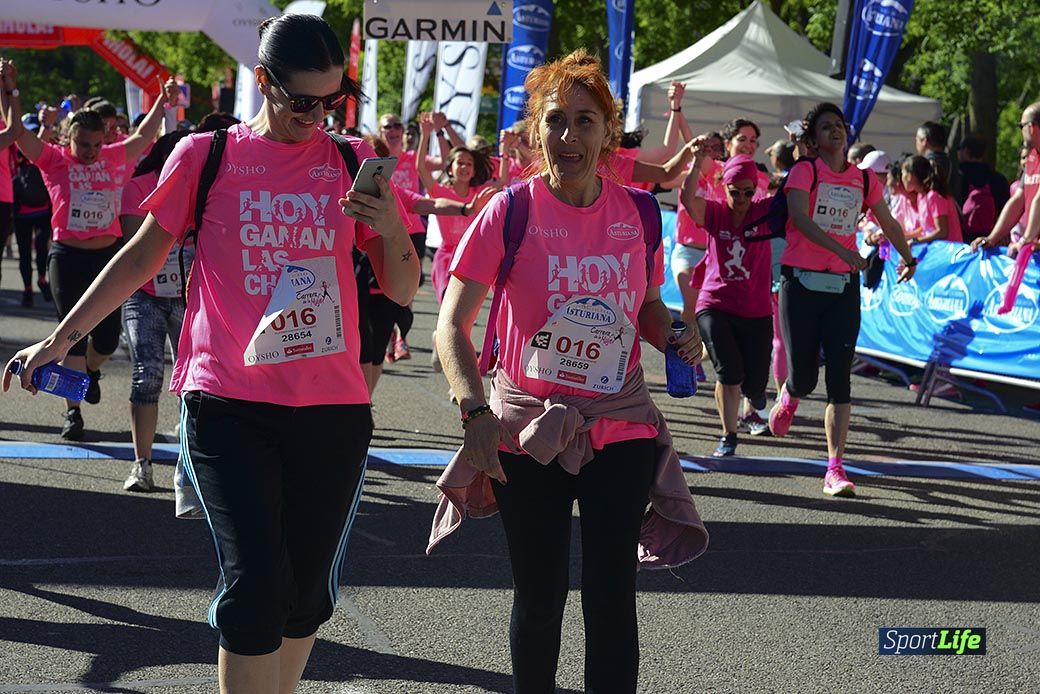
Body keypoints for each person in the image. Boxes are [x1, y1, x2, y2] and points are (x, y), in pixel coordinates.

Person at [4, 14, 419, 693]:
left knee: (306, 594)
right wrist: (61, 338)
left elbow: (402, 287)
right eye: (303, 102)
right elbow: (140, 256)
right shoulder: (209, 155)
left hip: (332, 406)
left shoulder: (348, 163)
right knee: (255, 589)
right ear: (263, 82)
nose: (319, 117)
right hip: (228, 402)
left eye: (334, 102)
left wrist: (392, 224)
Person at [426, 49, 708, 694]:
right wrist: (474, 413)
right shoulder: (510, 211)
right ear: (535, 132)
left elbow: (645, 307)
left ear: (609, 132)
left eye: (585, 121)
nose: (569, 136)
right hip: (530, 430)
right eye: (555, 121)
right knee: (541, 592)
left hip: (622, 426)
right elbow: (450, 325)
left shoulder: (638, 213)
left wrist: (677, 336)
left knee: (612, 593)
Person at [3, 58, 179, 441]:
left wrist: (162, 102)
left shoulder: (115, 156)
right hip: (67, 257)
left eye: (97, 145)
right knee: (74, 338)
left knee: (106, 340)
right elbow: (17, 134)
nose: (90, 152)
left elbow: (147, 134)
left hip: (107, 257)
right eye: (83, 144)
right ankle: (73, 413)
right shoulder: (54, 160)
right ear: (68, 139)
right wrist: (11, 93)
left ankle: (93, 372)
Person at [769, 102, 916, 497]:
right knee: (803, 376)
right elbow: (798, 218)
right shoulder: (805, 170)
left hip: (842, 287)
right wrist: (842, 249)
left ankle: (835, 468)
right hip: (800, 284)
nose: (835, 131)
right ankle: (790, 395)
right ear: (814, 139)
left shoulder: (865, 180)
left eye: (839, 125)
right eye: (826, 127)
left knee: (839, 380)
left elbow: (887, 220)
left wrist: (908, 256)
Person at [681, 151, 775, 456]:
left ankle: (756, 393)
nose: (743, 198)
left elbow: (796, 196)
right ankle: (728, 434)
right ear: (725, 188)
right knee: (729, 371)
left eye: (749, 192)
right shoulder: (716, 212)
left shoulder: (763, 211)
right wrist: (696, 163)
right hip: (716, 302)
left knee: (756, 382)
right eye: (736, 192)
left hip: (757, 309)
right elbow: (687, 200)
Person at [117, 130, 193, 492]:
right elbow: (139, 246)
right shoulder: (139, 186)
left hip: (188, 294)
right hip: (144, 295)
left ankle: (189, 469)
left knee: (193, 383)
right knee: (147, 374)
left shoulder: (204, 184)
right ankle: (141, 465)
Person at [971, 102, 1040, 258]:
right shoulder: (1032, 157)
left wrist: (1026, 240)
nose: (1021, 131)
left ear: (1031, 127)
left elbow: (1039, 200)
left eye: (1020, 126)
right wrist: (992, 238)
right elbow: (1018, 200)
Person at [956, 134, 1010, 241]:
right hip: (991, 235)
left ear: (965, 151)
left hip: (963, 235)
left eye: (959, 148)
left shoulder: (957, 177)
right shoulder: (997, 178)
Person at [902, 155, 964, 244]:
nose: (901, 177)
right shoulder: (921, 196)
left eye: (902, 173)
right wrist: (904, 237)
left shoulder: (934, 196)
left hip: (948, 252)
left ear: (910, 176)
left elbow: (942, 232)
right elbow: (925, 228)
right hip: (936, 250)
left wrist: (916, 241)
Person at [916, 120, 958, 195]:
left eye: (917, 140)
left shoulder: (923, 165)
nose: (916, 143)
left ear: (924, 141)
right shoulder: (952, 163)